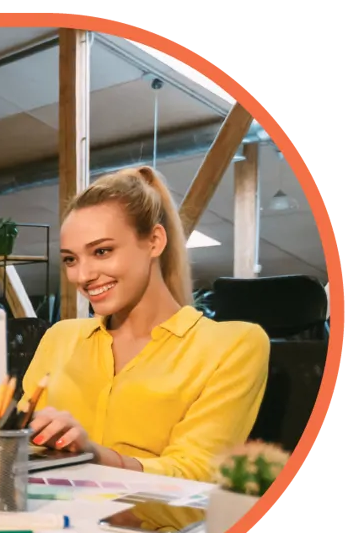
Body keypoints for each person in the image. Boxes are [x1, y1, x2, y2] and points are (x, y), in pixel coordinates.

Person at [21, 166, 270, 482]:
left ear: (154, 241)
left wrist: (93, 456)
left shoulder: (234, 345)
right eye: (71, 259)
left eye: (102, 251)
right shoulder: (59, 338)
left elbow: (196, 474)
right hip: (53, 521)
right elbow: (20, 449)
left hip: (152, 530)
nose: (82, 276)